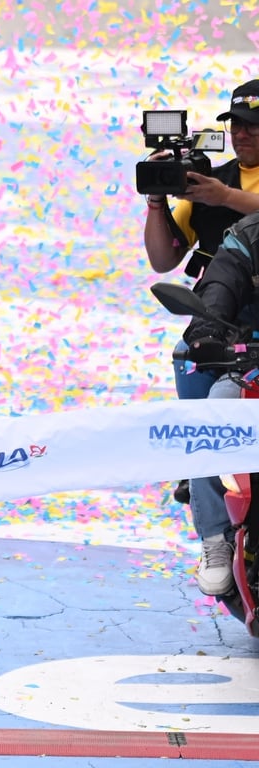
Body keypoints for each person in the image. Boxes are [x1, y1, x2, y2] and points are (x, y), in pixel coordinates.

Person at [144, 79, 259, 503]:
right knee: (186, 359)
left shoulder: (218, 188)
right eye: (236, 125)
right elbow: (163, 260)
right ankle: (199, 469)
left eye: (253, 126)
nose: (242, 134)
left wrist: (226, 197)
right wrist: (157, 203)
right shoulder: (208, 181)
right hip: (218, 316)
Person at [180, 209, 259, 596]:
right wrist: (207, 329)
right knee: (214, 415)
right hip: (253, 360)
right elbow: (219, 285)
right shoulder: (248, 235)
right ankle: (215, 536)